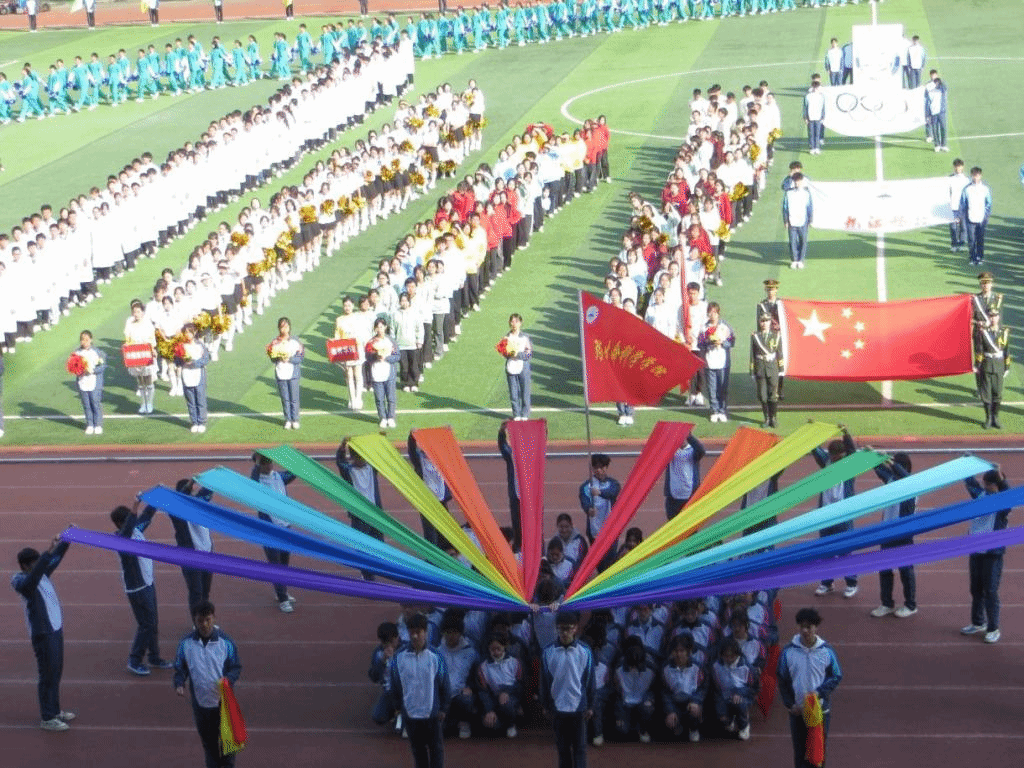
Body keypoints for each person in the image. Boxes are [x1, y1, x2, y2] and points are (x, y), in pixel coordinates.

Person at [12, 536, 75, 731]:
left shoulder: (41, 572)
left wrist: (66, 541)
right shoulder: (20, 580)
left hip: (55, 628)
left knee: (55, 673)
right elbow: (29, 584)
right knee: (47, 675)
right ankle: (47, 718)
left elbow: (55, 558)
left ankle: (55, 711)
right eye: (35, 562)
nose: (39, 564)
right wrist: (47, 554)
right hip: (43, 634)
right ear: (25, 566)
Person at [174, 601, 242, 768]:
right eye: (200, 621)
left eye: (208, 620)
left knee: (229, 743)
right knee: (209, 744)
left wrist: (228, 679)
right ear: (194, 620)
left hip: (223, 702)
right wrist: (179, 682)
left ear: (214, 618)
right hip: (200, 704)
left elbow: (235, 667)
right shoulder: (186, 644)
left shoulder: (226, 643)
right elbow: (180, 667)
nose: (204, 624)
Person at [112, 500, 174, 676]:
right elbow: (131, 523)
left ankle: (154, 657)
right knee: (147, 624)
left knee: (153, 623)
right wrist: (135, 505)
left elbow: (146, 515)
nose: (134, 521)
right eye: (129, 519)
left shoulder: (135, 530)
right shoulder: (121, 538)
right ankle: (134, 660)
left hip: (147, 583)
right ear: (120, 523)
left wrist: (156, 498)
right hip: (137, 589)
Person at [778, 608, 842, 768]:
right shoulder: (788, 652)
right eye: (802, 626)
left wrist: (819, 693)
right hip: (797, 710)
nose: (805, 631)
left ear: (816, 627)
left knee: (818, 753)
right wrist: (790, 704)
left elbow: (836, 676)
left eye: (809, 627)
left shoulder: (826, 651)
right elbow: (782, 679)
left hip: (819, 711)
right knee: (799, 752)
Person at [389, 613, 450, 768]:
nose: (415, 636)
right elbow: (395, 684)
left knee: (436, 749)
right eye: (411, 632)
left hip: (432, 714)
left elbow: (444, 684)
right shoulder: (399, 658)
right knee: (418, 750)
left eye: (418, 632)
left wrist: (443, 708)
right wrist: (398, 707)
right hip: (411, 713)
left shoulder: (436, 656)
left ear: (425, 632)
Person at [963, 467, 1012, 643]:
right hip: (976, 550)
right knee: (976, 589)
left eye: (988, 484)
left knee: (990, 591)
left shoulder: (1003, 504)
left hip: (992, 553)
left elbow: (1007, 493)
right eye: (984, 483)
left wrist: (1001, 476)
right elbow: (970, 482)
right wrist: (966, 463)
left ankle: (993, 628)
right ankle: (978, 622)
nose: (984, 486)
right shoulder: (980, 495)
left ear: (995, 485)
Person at [541, 609, 595, 768]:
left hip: (578, 707)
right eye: (561, 629)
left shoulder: (585, 651)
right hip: (558, 707)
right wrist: (546, 704)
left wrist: (590, 705)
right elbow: (544, 681)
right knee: (562, 749)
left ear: (575, 628)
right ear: (556, 629)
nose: (564, 633)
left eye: (568, 628)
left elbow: (590, 680)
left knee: (580, 749)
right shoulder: (548, 652)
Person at [811, 426, 858, 597]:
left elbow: (853, 451)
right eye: (831, 455)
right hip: (825, 514)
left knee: (845, 549)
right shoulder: (827, 463)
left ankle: (851, 583)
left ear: (842, 455)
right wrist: (812, 431)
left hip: (843, 515)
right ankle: (827, 582)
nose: (832, 459)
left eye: (836, 456)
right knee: (826, 550)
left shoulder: (850, 466)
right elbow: (815, 449)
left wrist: (846, 433)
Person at [869, 452, 918, 618]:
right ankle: (886, 603)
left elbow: (902, 474)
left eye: (896, 466)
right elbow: (878, 469)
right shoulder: (891, 480)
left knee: (905, 570)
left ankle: (910, 605)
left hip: (903, 534)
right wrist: (872, 455)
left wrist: (890, 462)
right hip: (887, 533)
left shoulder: (912, 484)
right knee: (884, 569)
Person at [250, 453, 298, 613]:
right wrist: (257, 462)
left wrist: (296, 459)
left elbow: (293, 473)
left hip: (285, 526)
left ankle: (281, 592)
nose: (269, 464)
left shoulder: (278, 476)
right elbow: (253, 476)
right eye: (265, 462)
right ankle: (283, 599)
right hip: (269, 530)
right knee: (275, 564)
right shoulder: (257, 482)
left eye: (270, 461)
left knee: (284, 563)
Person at [168, 478, 215, 616]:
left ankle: (206, 619)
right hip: (190, 557)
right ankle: (197, 621)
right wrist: (189, 484)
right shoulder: (176, 511)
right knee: (196, 591)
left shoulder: (198, 504)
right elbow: (182, 497)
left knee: (205, 591)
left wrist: (213, 478)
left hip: (207, 553)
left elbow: (207, 491)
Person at [579, 453, 621, 570]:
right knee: (599, 561)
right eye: (596, 467)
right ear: (592, 468)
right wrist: (589, 509)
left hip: (611, 528)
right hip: (594, 529)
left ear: (606, 468)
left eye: (601, 467)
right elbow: (584, 500)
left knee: (610, 559)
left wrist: (600, 493)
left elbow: (613, 492)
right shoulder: (586, 486)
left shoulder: (613, 483)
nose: (598, 470)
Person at [973, 308, 1009, 429]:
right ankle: (988, 418)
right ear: (988, 318)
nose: (993, 318)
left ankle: (996, 418)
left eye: (995, 316)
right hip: (987, 364)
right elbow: (979, 350)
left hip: (999, 365)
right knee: (986, 393)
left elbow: (1006, 350)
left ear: (998, 317)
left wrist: (1007, 366)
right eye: (991, 316)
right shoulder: (983, 332)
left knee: (997, 393)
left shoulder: (1004, 332)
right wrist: (977, 365)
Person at [698, 301, 734, 422]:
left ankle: (722, 410)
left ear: (718, 313)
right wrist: (708, 342)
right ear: (707, 314)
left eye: (715, 312)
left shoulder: (725, 326)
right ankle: (714, 410)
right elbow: (700, 344)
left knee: (722, 388)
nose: (712, 315)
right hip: (710, 362)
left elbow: (732, 341)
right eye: (710, 312)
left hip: (723, 363)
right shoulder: (704, 328)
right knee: (712, 388)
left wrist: (722, 343)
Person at [267, 316, 304, 429]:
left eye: (286, 326)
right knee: (285, 398)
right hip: (281, 372)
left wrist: (289, 359)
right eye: (282, 327)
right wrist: (277, 356)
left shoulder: (295, 341)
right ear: (279, 328)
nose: (284, 329)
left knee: (294, 398)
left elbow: (300, 358)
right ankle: (287, 419)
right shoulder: (275, 342)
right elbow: (273, 359)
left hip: (293, 373)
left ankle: (295, 419)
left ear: (289, 327)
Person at [124, 299, 158, 415]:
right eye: (134, 312)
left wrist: (152, 349)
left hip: (146, 354)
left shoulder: (148, 324)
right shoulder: (130, 325)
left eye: (138, 312)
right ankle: (143, 403)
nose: (136, 314)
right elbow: (128, 340)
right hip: (135, 355)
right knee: (140, 381)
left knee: (148, 380)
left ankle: (150, 403)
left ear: (142, 312)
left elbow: (152, 340)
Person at [177, 323, 211, 434]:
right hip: (186, 375)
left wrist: (194, 363)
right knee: (191, 400)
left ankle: (201, 422)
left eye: (189, 332)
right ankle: (194, 422)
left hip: (198, 374)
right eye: (185, 332)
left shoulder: (200, 345)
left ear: (194, 332)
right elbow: (177, 360)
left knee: (200, 398)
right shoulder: (181, 346)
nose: (187, 335)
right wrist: (182, 360)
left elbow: (206, 359)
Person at [70, 330, 106, 435]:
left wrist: (92, 370)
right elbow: (72, 367)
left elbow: (102, 366)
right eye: (82, 340)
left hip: (94, 382)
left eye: (87, 340)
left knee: (95, 402)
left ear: (91, 340)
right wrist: (78, 371)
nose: (84, 342)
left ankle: (98, 425)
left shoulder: (97, 352)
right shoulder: (77, 353)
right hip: (82, 382)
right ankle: (90, 424)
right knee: (86, 404)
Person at [751, 312, 784, 427]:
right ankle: (766, 418)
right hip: (760, 367)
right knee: (762, 396)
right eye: (762, 321)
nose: (764, 323)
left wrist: (781, 368)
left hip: (773, 367)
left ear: (770, 322)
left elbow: (779, 353)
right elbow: (752, 354)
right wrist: (752, 370)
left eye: (767, 321)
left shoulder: (776, 335)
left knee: (773, 395)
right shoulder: (755, 336)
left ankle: (773, 418)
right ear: (759, 322)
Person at [367, 317, 400, 429]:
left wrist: (386, 358)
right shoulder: (371, 342)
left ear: (385, 327)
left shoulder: (391, 341)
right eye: (377, 327)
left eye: (381, 327)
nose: (380, 329)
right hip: (376, 374)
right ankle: (382, 418)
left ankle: (391, 417)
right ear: (375, 329)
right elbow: (367, 357)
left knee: (391, 397)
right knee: (379, 398)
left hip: (389, 374)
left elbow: (397, 356)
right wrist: (376, 356)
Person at [664, 433, 705, 519]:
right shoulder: (670, 452)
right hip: (673, 497)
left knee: (691, 524)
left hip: (690, 496)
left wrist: (689, 435)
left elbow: (701, 451)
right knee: (672, 524)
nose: (681, 440)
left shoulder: (693, 451)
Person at [501, 312, 532, 420]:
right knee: (513, 393)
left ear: (520, 323)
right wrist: (507, 353)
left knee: (525, 391)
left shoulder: (525, 337)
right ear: (509, 323)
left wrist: (518, 355)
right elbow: (504, 353)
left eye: (516, 321)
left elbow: (529, 354)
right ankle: (516, 414)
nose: (514, 324)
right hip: (511, 366)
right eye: (512, 321)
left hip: (523, 367)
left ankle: (525, 414)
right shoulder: (506, 338)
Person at [959, 166, 991, 266]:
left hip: (981, 218)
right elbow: (963, 203)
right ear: (971, 176)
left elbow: (988, 203)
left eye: (977, 176)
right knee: (971, 239)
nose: (975, 178)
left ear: (980, 176)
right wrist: (964, 215)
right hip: (970, 218)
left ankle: (980, 257)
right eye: (973, 175)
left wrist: (985, 216)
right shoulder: (967, 189)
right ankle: (972, 258)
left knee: (980, 239)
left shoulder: (985, 189)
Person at [783, 172, 812, 269]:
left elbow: (809, 207)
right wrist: (785, 220)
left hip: (803, 220)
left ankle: (801, 260)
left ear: (802, 181)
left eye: (799, 181)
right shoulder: (788, 193)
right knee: (792, 242)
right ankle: (794, 260)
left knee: (803, 241)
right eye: (795, 181)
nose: (797, 183)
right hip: (792, 220)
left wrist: (810, 219)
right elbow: (785, 207)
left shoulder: (806, 193)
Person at [947, 159, 970, 253]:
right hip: (952, 206)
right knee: (953, 227)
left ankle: (961, 244)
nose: (957, 168)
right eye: (956, 166)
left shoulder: (966, 179)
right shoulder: (949, 178)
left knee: (963, 226)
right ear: (954, 167)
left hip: (963, 206)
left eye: (959, 166)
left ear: (962, 167)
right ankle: (954, 244)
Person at [925, 76, 948, 152]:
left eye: (938, 82)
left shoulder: (942, 90)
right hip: (933, 113)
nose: (936, 84)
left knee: (943, 128)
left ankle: (943, 145)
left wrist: (941, 81)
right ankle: (937, 145)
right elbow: (927, 103)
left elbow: (945, 87)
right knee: (935, 130)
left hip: (941, 112)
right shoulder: (929, 91)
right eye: (935, 82)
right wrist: (927, 114)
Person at [803, 81, 825, 155]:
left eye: (817, 87)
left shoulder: (821, 96)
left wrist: (823, 116)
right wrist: (805, 117)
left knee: (817, 133)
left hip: (818, 117)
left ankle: (817, 147)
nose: (815, 89)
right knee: (811, 133)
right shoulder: (808, 96)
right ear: (812, 87)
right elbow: (805, 107)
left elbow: (823, 107)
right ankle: (812, 148)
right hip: (810, 117)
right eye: (814, 87)